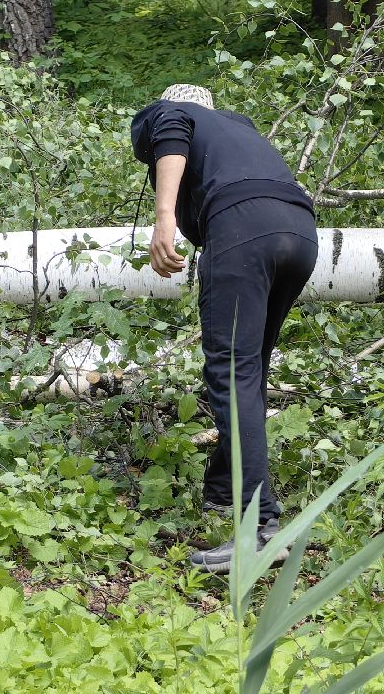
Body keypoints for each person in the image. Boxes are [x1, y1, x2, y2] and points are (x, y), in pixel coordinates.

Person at [130, 83, 318, 573]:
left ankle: (259, 529)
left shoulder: (173, 114)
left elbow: (171, 129)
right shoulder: (238, 129)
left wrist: (164, 219)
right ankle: (221, 487)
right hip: (300, 231)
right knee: (248, 370)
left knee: (232, 373)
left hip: (244, 228)